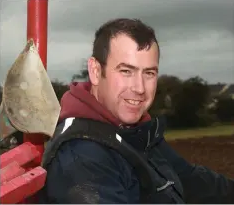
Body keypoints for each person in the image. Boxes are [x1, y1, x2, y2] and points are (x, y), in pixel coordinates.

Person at [40, 18, 234, 204]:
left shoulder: (135, 131)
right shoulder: (81, 158)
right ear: (96, 71)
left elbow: (192, 180)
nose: (140, 88)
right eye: (126, 71)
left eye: (149, 73)